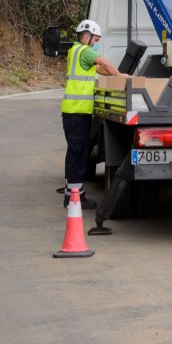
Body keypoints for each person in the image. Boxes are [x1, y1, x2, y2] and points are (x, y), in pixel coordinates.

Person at [61, 18, 120, 209]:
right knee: (78, 154)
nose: (96, 44)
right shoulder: (85, 51)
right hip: (77, 113)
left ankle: (72, 194)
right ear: (86, 37)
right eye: (95, 40)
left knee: (75, 153)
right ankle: (75, 198)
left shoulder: (75, 51)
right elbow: (104, 63)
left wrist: (113, 74)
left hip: (72, 112)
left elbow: (100, 68)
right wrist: (122, 78)